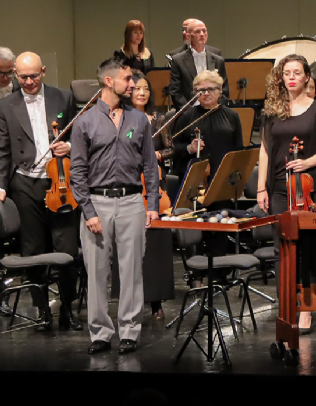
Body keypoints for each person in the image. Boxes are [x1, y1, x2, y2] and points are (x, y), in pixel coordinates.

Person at [72, 59, 160, 354]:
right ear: (109, 82)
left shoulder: (139, 120)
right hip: (97, 202)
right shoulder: (84, 122)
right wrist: (88, 211)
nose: (133, 84)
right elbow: (77, 172)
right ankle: (100, 333)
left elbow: (150, 164)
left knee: (132, 270)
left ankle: (130, 331)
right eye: (127, 79)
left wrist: (152, 203)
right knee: (97, 272)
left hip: (132, 201)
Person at [256, 54, 316, 333]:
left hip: (308, 186)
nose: (291, 77)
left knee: (305, 249)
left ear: (306, 77)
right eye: (286, 73)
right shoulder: (272, 110)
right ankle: (287, 306)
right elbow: (265, 149)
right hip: (279, 187)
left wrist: (307, 162)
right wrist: (261, 187)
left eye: (296, 73)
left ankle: (306, 309)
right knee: (282, 248)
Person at [0, 52, 81, 331]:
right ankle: (42, 310)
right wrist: (1, 186)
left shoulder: (63, 97)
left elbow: (77, 133)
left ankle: (67, 309)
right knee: (32, 249)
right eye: (23, 77)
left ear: (43, 71)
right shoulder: (6, 105)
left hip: (60, 181)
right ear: (15, 75)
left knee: (67, 248)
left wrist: (68, 146)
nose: (29, 82)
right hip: (25, 183)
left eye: (34, 76)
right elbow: (3, 150)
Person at [125, 72, 174, 320]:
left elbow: (170, 148)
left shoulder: (158, 120)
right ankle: (131, 300)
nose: (142, 93)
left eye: (145, 88)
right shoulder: (123, 118)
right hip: (131, 185)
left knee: (155, 246)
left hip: (155, 187)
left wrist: (157, 156)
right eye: (137, 89)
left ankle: (156, 300)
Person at [171, 70, 244, 182]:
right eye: (201, 90)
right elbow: (173, 147)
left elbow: (239, 150)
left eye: (211, 89)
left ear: (220, 91)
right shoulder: (186, 116)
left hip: (224, 177)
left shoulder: (232, 116)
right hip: (195, 178)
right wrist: (189, 148)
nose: (206, 93)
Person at [168, 20, 229, 109]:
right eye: (197, 31)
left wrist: (216, 109)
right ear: (189, 36)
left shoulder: (218, 60)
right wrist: (190, 112)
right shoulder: (178, 60)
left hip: (215, 111)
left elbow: (224, 91)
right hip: (189, 112)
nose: (202, 34)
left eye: (204, 31)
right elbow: (175, 92)